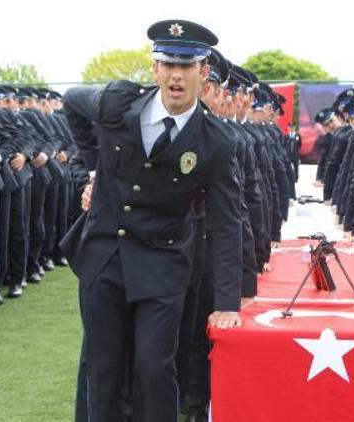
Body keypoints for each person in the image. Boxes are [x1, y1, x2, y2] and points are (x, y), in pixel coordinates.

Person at [60, 19, 243, 421]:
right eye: (168, 64)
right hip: (105, 255)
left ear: (203, 72)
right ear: (154, 68)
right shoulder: (117, 103)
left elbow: (228, 222)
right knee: (103, 368)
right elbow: (72, 102)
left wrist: (228, 302)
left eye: (187, 66)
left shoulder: (215, 142)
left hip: (162, 264)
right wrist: (91, 172)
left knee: (154, 367)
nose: (176, 76)